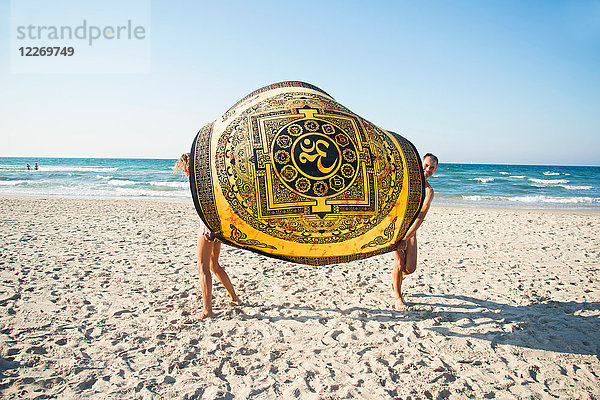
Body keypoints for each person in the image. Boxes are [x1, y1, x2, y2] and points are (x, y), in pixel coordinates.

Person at [174, 153, 241, 318]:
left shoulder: (198, 182)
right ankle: (235, 298)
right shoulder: (210, 178)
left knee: (203, 267)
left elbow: (207, 204)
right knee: (214, 264)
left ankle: (207, 310)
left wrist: (207, 226)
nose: (184, 173)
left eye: (184, 170)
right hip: (218, 224)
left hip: (209, 226)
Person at [392, 153, 438, 310]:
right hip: (395, 227)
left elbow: (419, 218)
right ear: (420, 163)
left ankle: (396, 279)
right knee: (399, 263)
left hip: (411, 230)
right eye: (426, 165)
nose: (428, 169)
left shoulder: (429, 192)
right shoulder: (407, 181)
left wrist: (407, 237)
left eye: (432, 167)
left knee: (410, 268)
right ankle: (397, 297)